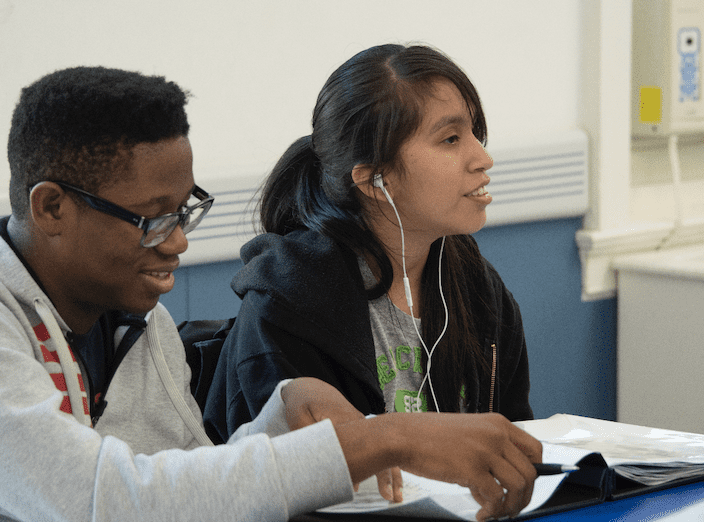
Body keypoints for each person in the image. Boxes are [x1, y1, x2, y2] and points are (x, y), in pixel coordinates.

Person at [0, 65, 540, 522]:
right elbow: (101, 502)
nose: (178, 243)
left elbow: (187, 486)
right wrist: (382, 437)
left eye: (186, 212)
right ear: (51, 208)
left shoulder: (132, 316)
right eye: (154, 218)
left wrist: (275, 424)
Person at [204, 43, 532, 449]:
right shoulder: (291, 303)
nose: (483, 158)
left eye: (474, 134)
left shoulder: (478, 288)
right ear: (376, 179)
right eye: (450, 139)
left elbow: (514, 438)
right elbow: (284, 478)